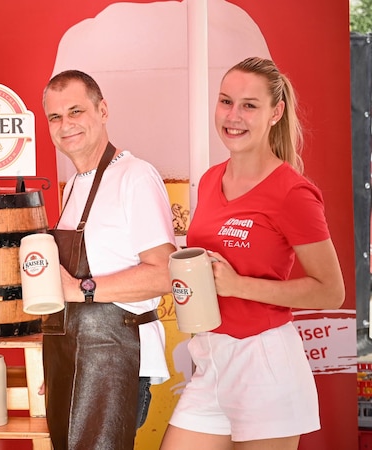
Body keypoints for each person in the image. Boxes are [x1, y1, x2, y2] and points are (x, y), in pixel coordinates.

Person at [159, 57, 345, 450]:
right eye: (226, 101)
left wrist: (238, 285)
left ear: (275, 112)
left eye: (249, 105)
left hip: (264, 366)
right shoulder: (211, 179)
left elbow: (330, 291)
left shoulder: (292, 193)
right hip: (211, 358)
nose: (233, 116)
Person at [41, 69, 176, 450]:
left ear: (103, 110)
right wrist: (56, 364)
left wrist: (84, 288)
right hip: (72, 360)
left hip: (117, 360)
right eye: (55, 117)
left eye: (76, 111)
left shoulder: (135, 176)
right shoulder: (74, 185)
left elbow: (166, 274)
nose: (65, 125)